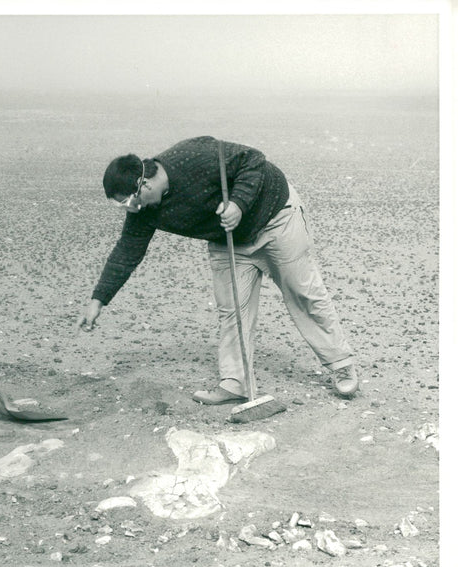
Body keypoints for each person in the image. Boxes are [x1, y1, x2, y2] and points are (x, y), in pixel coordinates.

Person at [77, 136, 358, 407]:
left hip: (275, 219)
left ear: (144, 183)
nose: (131, 208)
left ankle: (341, 364)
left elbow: (254, 160)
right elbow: (127, 251)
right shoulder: (144, 211)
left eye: (128, 200)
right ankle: (236, 384)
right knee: (232, 309)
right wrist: (98, 299)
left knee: (302, 292)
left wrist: (237, 203)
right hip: (228, 239)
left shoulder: (192, 155)